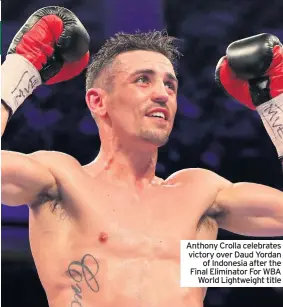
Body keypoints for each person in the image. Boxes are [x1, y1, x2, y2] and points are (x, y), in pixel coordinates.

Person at [1, 6, 283, 307]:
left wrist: (276, 104)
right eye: (143, 80)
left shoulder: (201, 195)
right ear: (98, 101)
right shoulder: (61, 181)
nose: (162, 93)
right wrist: (19, 70)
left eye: (170, 84)